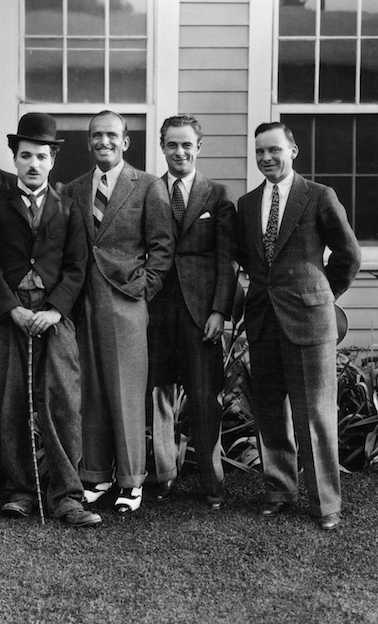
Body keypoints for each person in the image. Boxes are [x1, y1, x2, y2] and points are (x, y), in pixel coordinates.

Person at [235, 121, 361, 531]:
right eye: (260, 153)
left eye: (274, 150)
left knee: (315, 414)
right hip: (264, 318)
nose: (267, 158)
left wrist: (323, 295)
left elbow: (348, 255)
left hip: (309, 317)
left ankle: (325, 503)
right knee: (270, 410)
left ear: (293, 151)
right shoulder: (248, 203)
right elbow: (248, 258)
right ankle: (279, 489)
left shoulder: (319, 197)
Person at [0, 112, 100, 527]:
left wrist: (53, 310)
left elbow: (77, 266)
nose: (33, 163)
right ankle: (20, 491)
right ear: (14, 158)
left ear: (53, 161)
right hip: (9, 315)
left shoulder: (69, 209)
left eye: (41, 156)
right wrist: (11, 308)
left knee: (62, 402)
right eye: (25, 155)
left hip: (54, 316)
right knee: (10, 401)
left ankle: (67, 495)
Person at [62, 110, 174, 515]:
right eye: (96, 135)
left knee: (126, 390)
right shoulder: (74, 188)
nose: (103, 141)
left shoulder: (146, 186)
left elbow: (162, 246)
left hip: (125, 299)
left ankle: (130, 482)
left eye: (111, 135)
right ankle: (96, 474)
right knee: (90, 388)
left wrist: (144, 287)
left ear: (126, 141)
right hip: (82, 298)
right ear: (88, 142)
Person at [148, 115, 238, 509]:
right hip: (156, 309)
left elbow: (227, 260)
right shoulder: (149, 192)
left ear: (198, 147)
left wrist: (219, 310)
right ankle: (164, 474)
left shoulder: (217, 195)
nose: (179, 152)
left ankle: (211, 482)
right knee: (158, 392)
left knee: (204, 397)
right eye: (172, 145)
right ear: (162, 146)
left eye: (187, 145)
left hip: (201, 312)